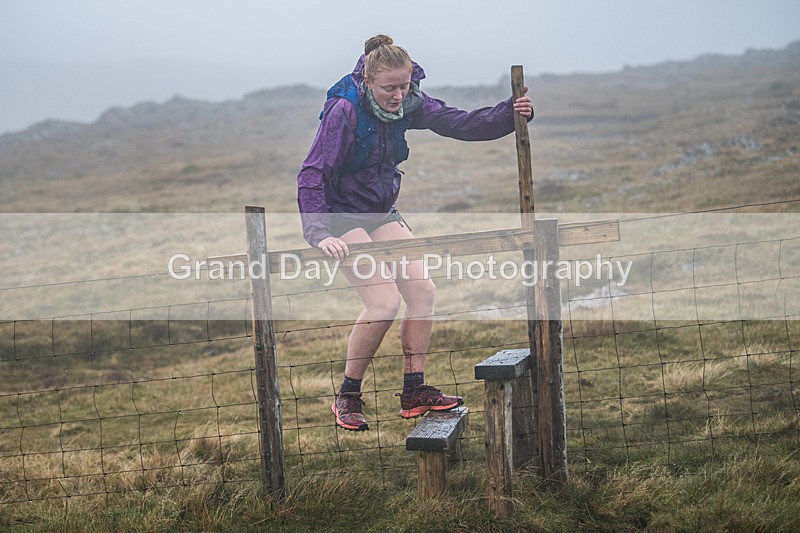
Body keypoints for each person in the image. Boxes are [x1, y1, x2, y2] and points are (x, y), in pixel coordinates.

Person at [297, 35, 533, 431]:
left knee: (422, 290)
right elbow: (313, 173)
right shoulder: (344, 110)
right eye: (389, 87)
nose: (398, 95)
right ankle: (348, 395)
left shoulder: (409, 102)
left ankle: (414, 391)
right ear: (368, 81)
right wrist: (320, 232)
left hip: (378, 210)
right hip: (340, 216)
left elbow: (460, 122)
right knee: (384, 302)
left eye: (404, 86)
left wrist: (511, 113)